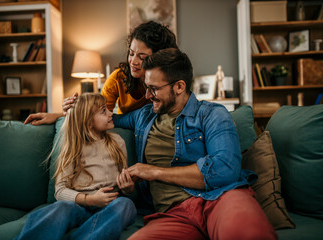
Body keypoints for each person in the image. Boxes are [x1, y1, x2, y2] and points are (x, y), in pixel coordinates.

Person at [112, 48, 277, 239]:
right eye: (146, 87)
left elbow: (226, 169)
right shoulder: (144, 115)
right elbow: (108, 119)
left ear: (179, 86)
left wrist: (153, 171)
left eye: (154, 89)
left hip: (220, 198)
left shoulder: (212, 114)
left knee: (248, 234)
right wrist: (75, 107)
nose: (147, 96)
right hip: (173, 215)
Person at [15, 93, 137, 240]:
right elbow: (59, 191)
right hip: (80, 206)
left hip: (109, 207)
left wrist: (128, 188)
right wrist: (90, 200)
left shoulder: (118, 142)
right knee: (60, 208)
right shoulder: (74, 147)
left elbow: (125, 186)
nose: (111, 113)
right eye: (104, 111)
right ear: (88, 121)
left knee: (126, 204)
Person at [23, 21, 178, 125]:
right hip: (128, 129)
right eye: (131, 53)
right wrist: (61, 115)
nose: (133, 61)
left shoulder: (170, 82)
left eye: (142, 57)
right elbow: (96, 115)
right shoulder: (118, 78)